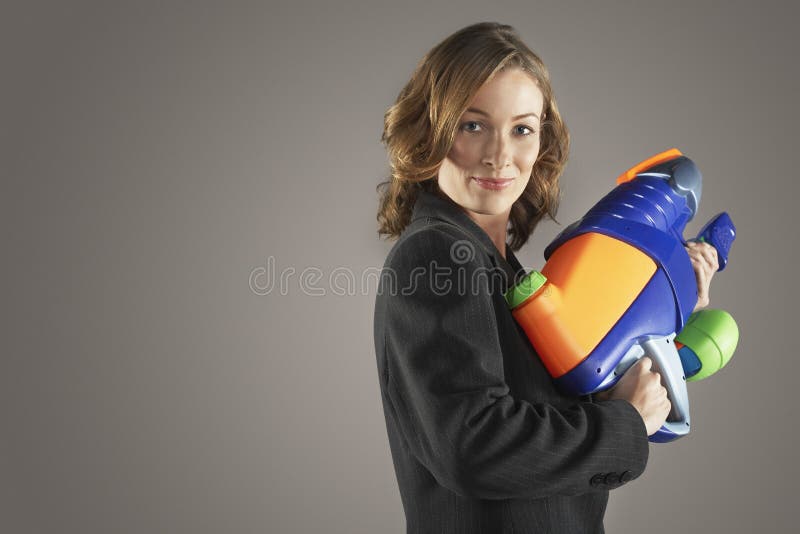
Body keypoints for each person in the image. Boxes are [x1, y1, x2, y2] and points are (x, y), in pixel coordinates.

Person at [373, 22, 719, 534]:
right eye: (472, 125)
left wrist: (673, 309)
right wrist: (625, 424)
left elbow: (554, 416)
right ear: (430, 132)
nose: (499, 154)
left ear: (541, 141)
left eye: (522, 129)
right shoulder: (438, 255)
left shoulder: (498, 268)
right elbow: (475, 446)